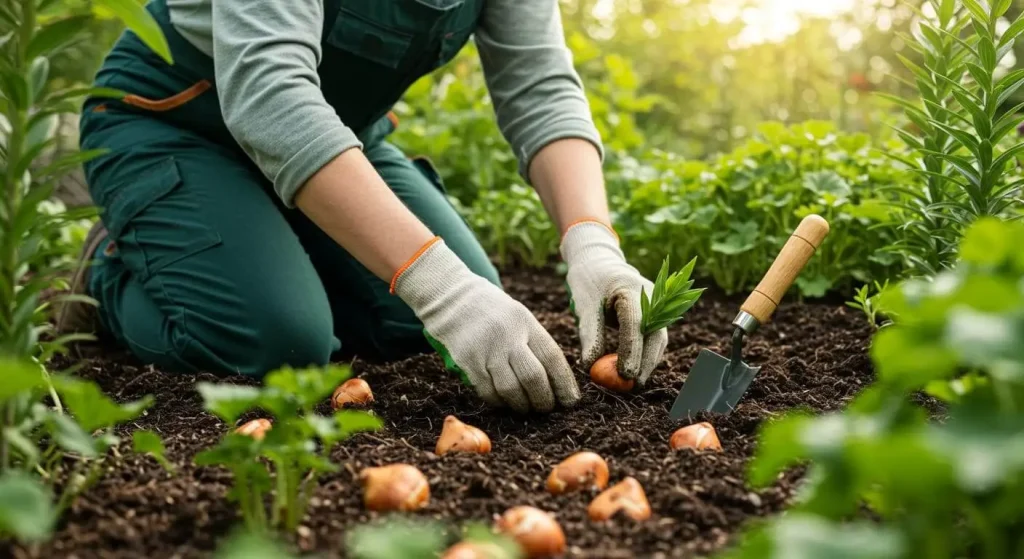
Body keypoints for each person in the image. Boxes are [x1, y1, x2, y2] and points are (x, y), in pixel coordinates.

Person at [56, 0, 669, 414]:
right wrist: (442, 289)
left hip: (336, 142)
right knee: (276, 343)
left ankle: (261, 243)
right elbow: (269, 95)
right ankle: (114, 266)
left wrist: (591, 244)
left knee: (429, 324)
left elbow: (539, 88)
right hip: (178, 122)